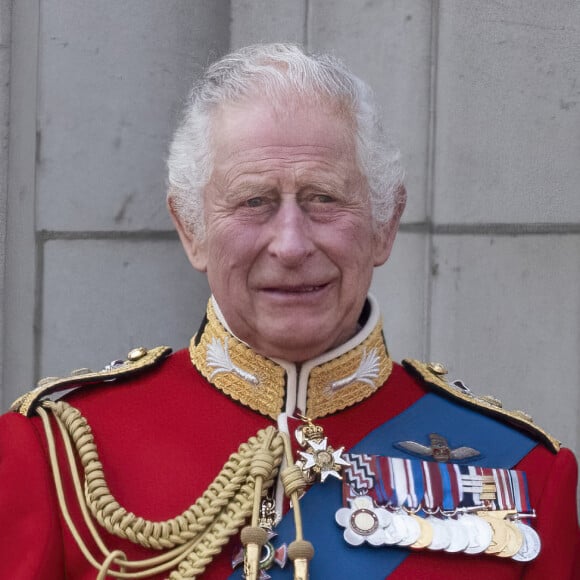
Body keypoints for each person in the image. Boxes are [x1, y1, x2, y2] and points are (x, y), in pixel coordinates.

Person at [0, 43, 578, 579]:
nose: (292, 245)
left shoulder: (525, 470)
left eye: (324, 198)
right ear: (190, 229)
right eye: (253, 202)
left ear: (385, 224)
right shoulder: (55, 456)